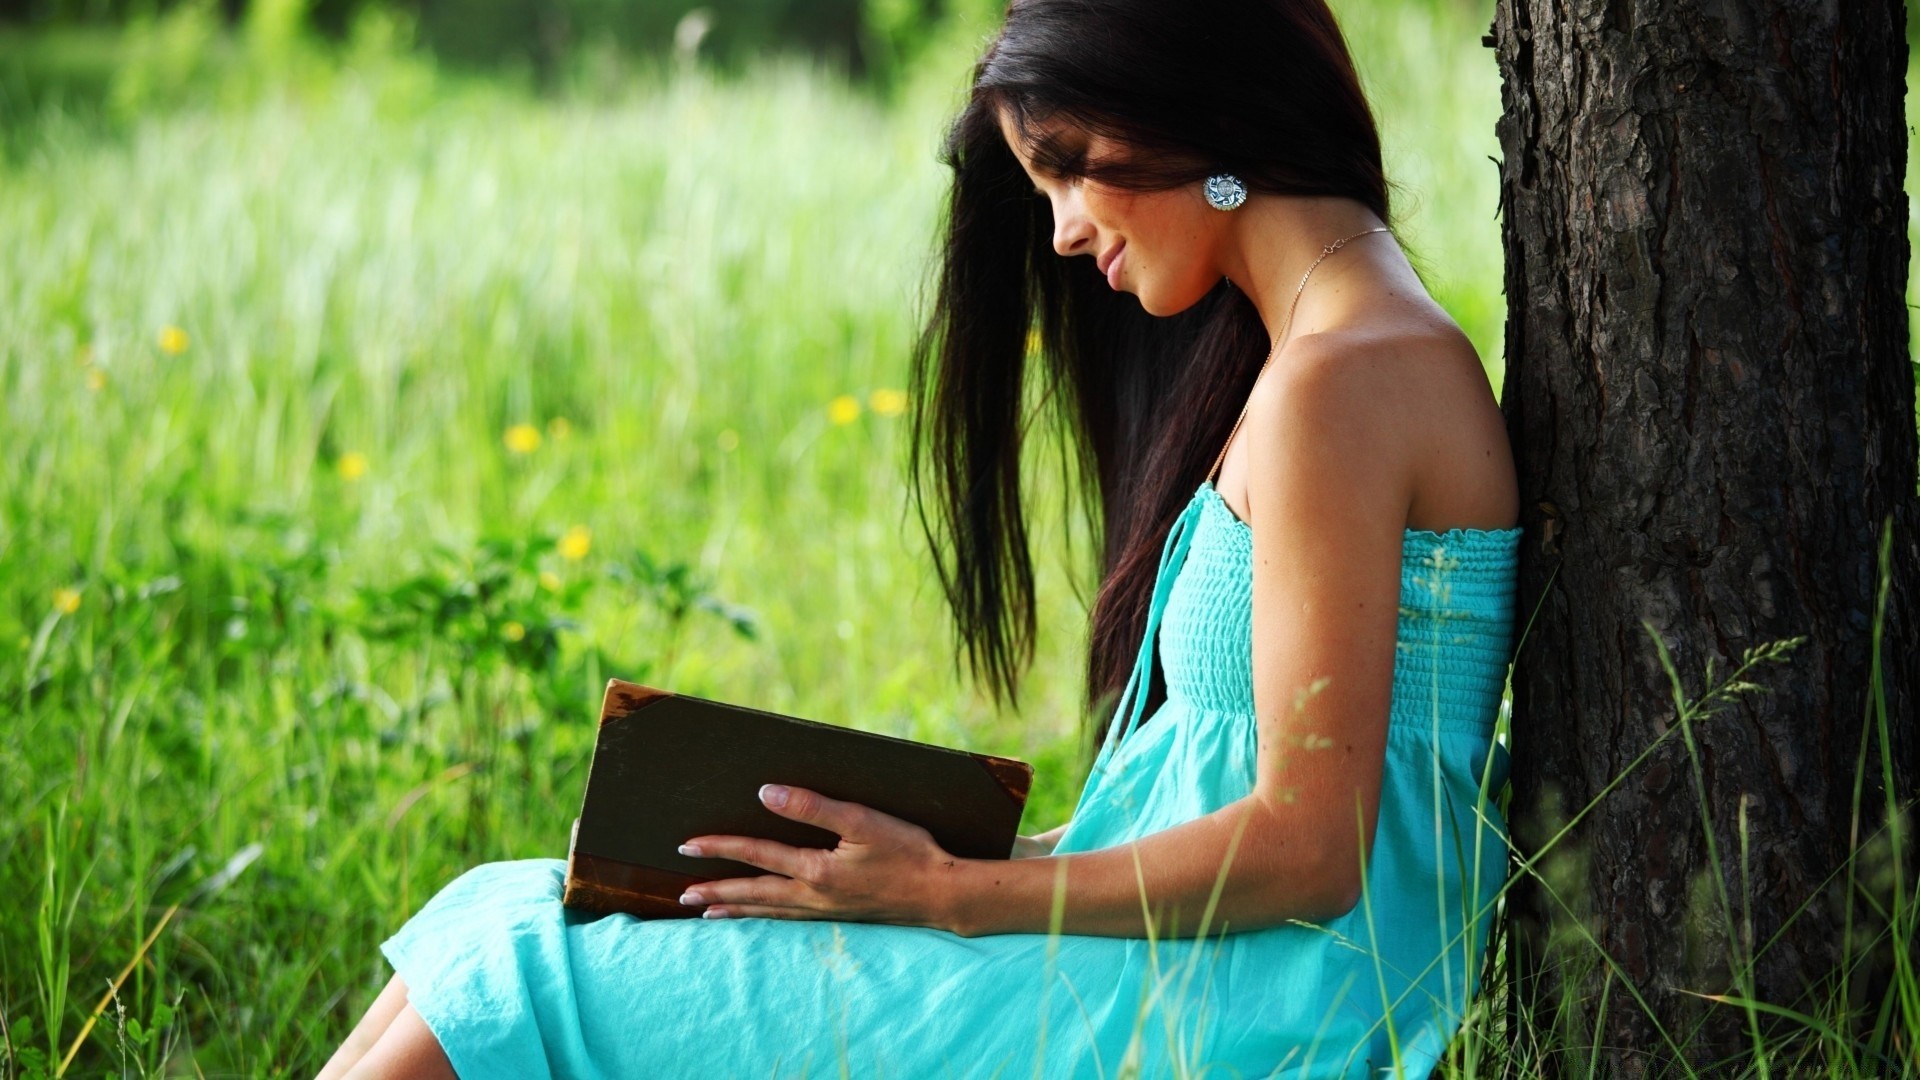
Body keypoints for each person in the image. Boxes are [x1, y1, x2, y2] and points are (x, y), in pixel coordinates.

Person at [316, 0, 1521, 1075]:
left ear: (1188, 115)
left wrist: (955, 895)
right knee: (503, 923)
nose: (1056, 230)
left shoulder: (1342, 386)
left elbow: (1311, 846)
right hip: (1197, 956)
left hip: (1249, 995)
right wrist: (888, 858)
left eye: (1066, 171)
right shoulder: (1326, 366)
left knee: (527, 974)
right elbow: (1228, 793)